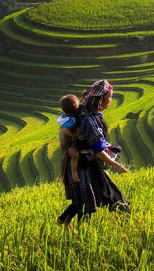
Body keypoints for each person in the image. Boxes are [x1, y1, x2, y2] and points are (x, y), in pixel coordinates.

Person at [73, 79, 131, 219]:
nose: (111, 100)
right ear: (100, 99)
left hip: (84, 164)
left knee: (86, 206)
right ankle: (126, 224)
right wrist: (115, 164)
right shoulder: (91, 120)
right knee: (116, 200)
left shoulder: (85, 113)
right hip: (88, 166)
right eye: (109, 96)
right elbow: (98, 149)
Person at [56, 93, 82, 228]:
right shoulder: (69, 122)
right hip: (69, 149)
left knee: (79, 199)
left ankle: (66, 221)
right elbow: (67, 131)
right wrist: (77, 133)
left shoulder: (67, 118)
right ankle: (63, 220)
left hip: (67, 148)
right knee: (75, 155)